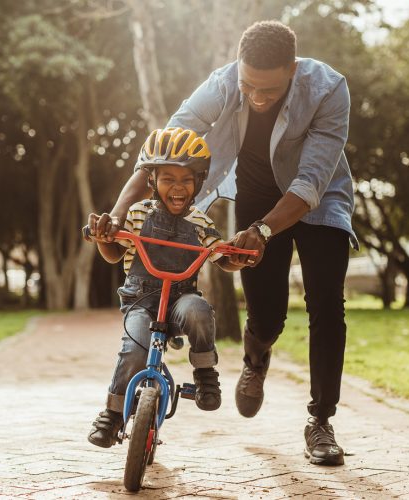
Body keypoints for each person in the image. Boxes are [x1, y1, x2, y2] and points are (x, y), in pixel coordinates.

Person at [96, 21, 357, 465]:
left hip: (319, 198)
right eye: (249, 86)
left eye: (269, 90)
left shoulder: (329, 89)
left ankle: (321, 421)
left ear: (292, 70)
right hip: (256, 194)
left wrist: (264, 232)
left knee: (327, 304)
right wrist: (119, 211)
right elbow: (164, 149)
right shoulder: (222, 83)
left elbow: (310, 180)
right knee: (268, 314)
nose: (256, 97)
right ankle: (257, 357)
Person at [85, 127, 247, 448]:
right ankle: (113, 413)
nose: (177, 187)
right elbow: (115, 252)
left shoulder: (201, 223)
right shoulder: (135, 214)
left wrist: (238, 257)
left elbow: (221, 257)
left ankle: (204, 374)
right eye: (168, 178)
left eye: (186, 179)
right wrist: (105, 238)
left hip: (179, 301)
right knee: (135, 349)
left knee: (199, 311)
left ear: (199, 182)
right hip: (140, 301)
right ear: (152, 181)